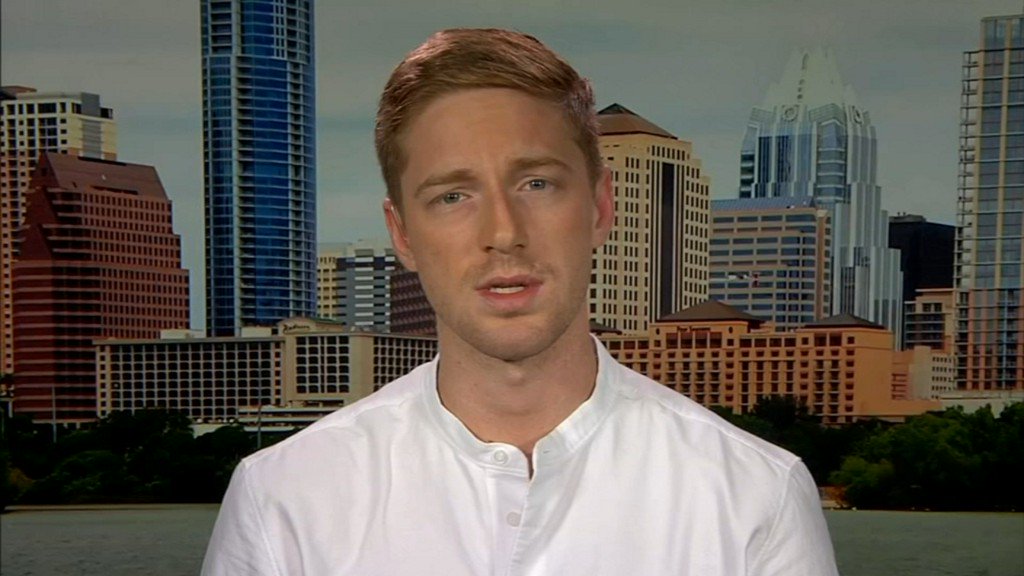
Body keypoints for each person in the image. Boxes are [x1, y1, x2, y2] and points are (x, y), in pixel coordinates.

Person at [202, 28, 839, 575]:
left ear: (599, 206)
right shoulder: (284, 498)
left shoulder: (756, 495)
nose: (502, 232)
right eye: (453, 196)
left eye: (537, 183)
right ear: (403, 235)